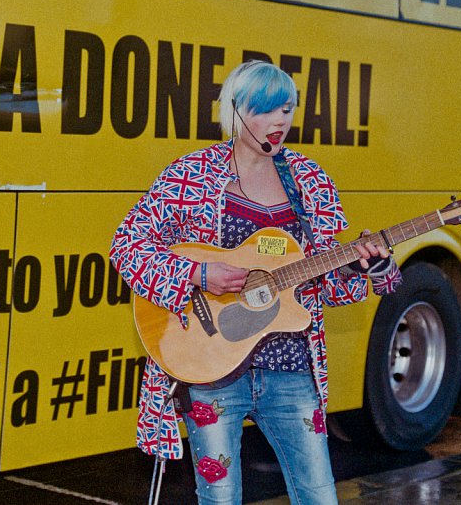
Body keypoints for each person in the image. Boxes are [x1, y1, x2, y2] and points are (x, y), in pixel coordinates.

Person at [110, 60, 401, 504]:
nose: (280, 121)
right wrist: (200, 272)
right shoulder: (192, 176)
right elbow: (127, 245)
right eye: (266, 110)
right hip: (212, 369)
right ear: (236, 110)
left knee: (319, 496)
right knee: (220, 498)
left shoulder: (309, 181)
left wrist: (358, 267)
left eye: (287, 109)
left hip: (291, 368)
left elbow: (324, 284)